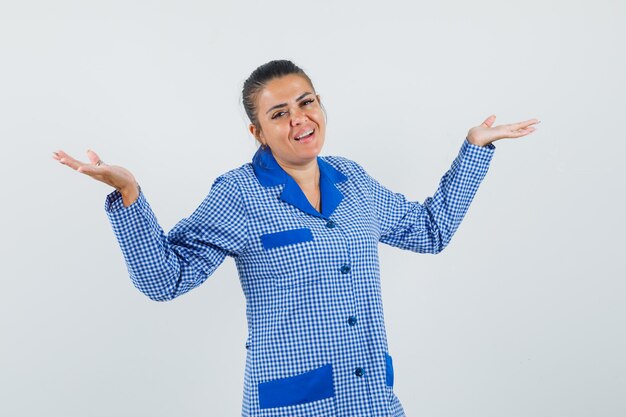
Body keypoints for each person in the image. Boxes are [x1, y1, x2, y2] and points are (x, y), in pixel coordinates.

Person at [52, 59, 539, 417]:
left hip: (371, 398)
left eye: (306, 102)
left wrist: (475, 149)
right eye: (279, 113)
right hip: (293, 406)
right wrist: (129, 193)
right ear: (258, 131)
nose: (299, 119)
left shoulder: (353, 180)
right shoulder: (239, 194)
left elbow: (431, 231)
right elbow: (165, 280)